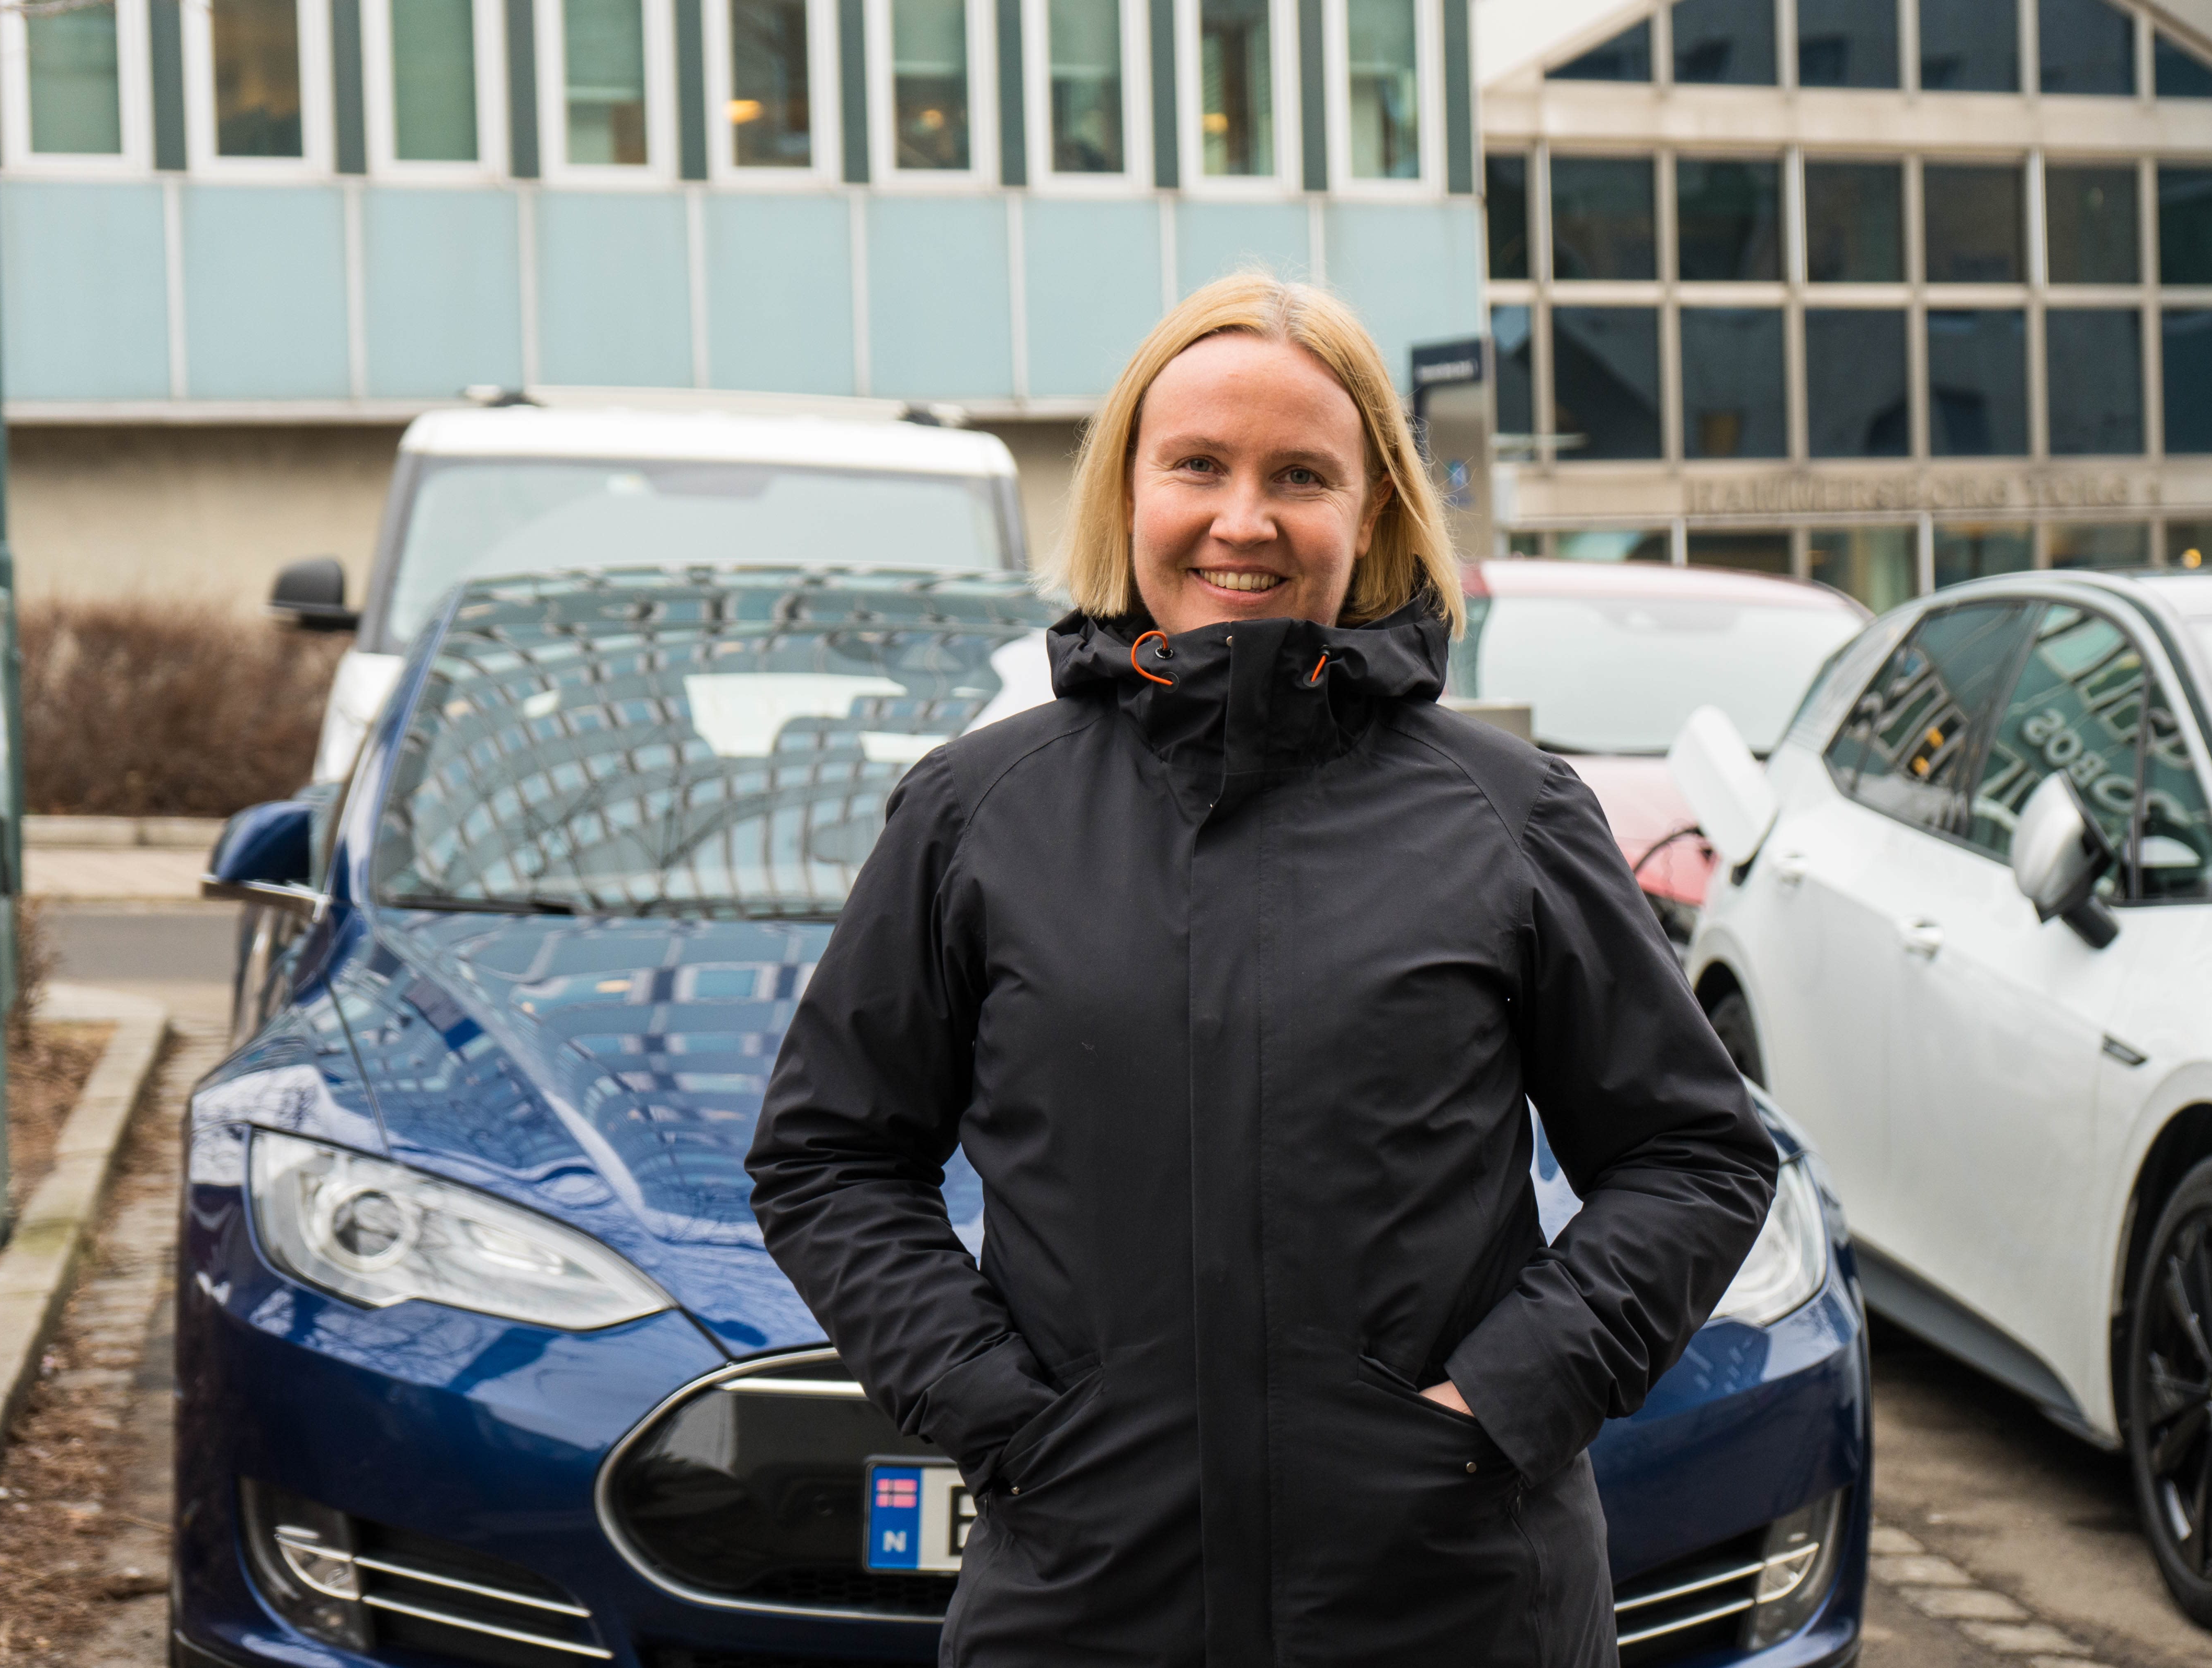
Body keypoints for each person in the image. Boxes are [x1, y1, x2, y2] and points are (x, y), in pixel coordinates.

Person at [745, 272, 1777, 1668]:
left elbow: (1693, 1155)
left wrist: (1503, 1401)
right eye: (1197, 466)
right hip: (1084, 1602)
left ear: (1374, 512)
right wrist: (997, 1413)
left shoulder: (1511, 815)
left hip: (1455, 1602)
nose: (1244, 520)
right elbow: (829, 1156)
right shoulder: (975, 813)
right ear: (1126, 493)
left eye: (1300, 475)